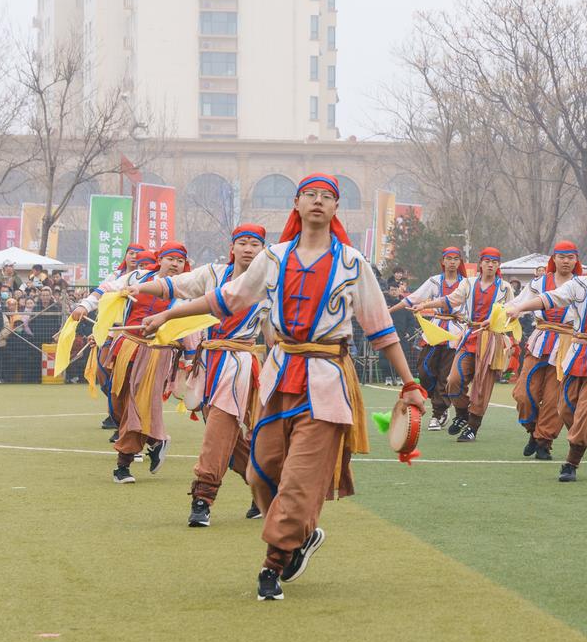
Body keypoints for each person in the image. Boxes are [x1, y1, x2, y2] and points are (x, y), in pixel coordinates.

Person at [141, 173, 424, 601]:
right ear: (296, 203)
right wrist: (168, 316)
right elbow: (226, 299)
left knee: (298, 479)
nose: (317, 201)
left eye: (326, 196)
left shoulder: (352, 263)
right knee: (260, 471)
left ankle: (273, 565)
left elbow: (381, 328)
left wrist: (410, 382)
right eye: (310, 195)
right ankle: (301, 537)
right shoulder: (273, 258)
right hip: (277, 377)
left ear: (335, 208)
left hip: (328, 382)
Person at [128, 225, 270, 526]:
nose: (248, 249)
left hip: (238, 364)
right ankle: (267, 489)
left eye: (255, 244)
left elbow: (275, 333)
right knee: (228, 438)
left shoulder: (271, 283)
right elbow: (175, 286)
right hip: (208, 363)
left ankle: (203, 498)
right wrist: (140, 288)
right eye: (242, 243)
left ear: (263, 250)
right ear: (232, 247)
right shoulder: (213, 274)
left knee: (218, 430)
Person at [504, 239, 587, 482]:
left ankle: (571, 463)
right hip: (577, 350)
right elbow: (550, 299)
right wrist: (520, 308)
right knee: (565, 409)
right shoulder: (579, 284)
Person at [72, 243, 192, 483]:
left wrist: (188, 358)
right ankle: (156, 440)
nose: (175, 264)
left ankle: (123, 466)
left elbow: (191, 325)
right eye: (170, 259)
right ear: (161, 260)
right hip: (125, 345)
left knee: (138, 405)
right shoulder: (137, 276)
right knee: (117, 402)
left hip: (156, 353)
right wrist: (84, 305)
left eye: (180, 260)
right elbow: (107, 288)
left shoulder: (187, 289)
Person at [408, 248, 514, 442]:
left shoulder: (505, 288)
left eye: (494, 262)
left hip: (491, 341)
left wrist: (508, 336)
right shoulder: (469, 283)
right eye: (487, 261)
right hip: (469, 337)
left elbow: (513, 312)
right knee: (453, 379)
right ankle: (462, 413)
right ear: (480, 263)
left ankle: (473, 426)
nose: (490, 264)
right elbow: (450, 299)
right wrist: (425, 305)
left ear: (498, 265)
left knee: (482, 386)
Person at [508, 241, 581, 460]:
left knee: (554, 398)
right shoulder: (540, 283)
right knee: (523, 393)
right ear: (554, 259)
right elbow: (518, 304)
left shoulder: (583, 285)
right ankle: (533, 431)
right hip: (540, 340)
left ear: (576, 260)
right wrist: (496, 318)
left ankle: (543, 441)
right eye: (562, 257)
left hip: (567, 343)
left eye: (570, 257)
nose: (566, 261)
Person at [388, 247, 467, 430]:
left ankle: (438, 413)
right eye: (449, 258)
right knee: (424, 370)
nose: (453, 262)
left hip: (455, 333)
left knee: (445, 376)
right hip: (434, 330)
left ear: (460, 262)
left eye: (456, 259)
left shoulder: (467, 284)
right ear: (443, 261)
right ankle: (439, 403)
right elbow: (413, 298)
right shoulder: (435, 281)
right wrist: (389, 311)